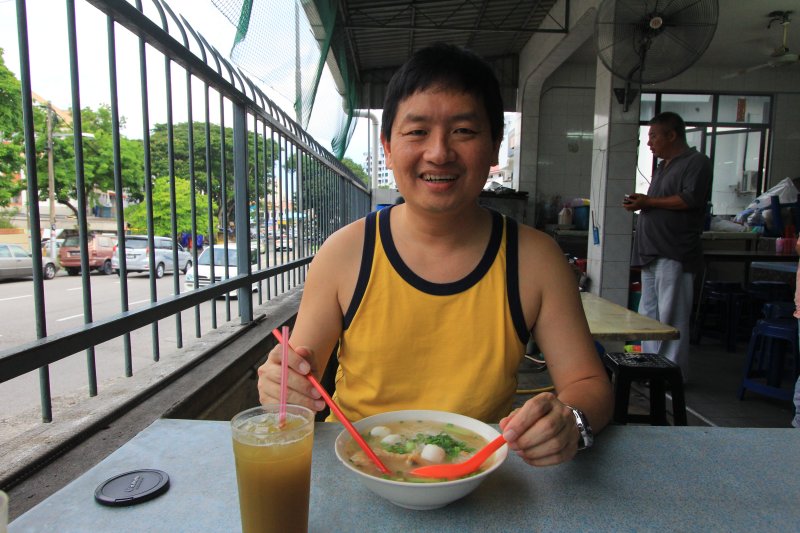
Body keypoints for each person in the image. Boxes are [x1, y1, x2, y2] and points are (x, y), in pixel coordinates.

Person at [258, 43, 612, 466]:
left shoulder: (535, 259)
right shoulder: (345, 252)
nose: (440, 152)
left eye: (464, 130)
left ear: (495, 147)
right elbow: (298, 377)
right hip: (356, 463)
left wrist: (570, 420)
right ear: (387, 147)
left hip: (480, 473)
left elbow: (589, 383)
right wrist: (283, 386)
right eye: (417, 131)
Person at [623, 112, 712, 383]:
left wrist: (648, 203)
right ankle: (651, 370)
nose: (649, 142)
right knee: (650, 315)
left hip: (675, 251)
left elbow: (689, 199)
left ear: (672, 135)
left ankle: (672, 376)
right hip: (651, 252)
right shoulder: (664, 166)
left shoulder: (696, 162)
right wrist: (644, 202)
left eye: (653, 136)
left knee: (672, 317)